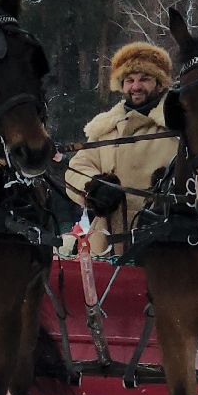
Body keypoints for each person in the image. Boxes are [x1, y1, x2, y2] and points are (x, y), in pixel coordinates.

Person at [64, 42, 179, 257]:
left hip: (161, 251)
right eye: (130, 80)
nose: (136, 86)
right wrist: (93, 188)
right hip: (104, 246)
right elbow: (76, 169)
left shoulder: (176, 127)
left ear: (159, 83)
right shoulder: (105, 127)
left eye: (144, 79)